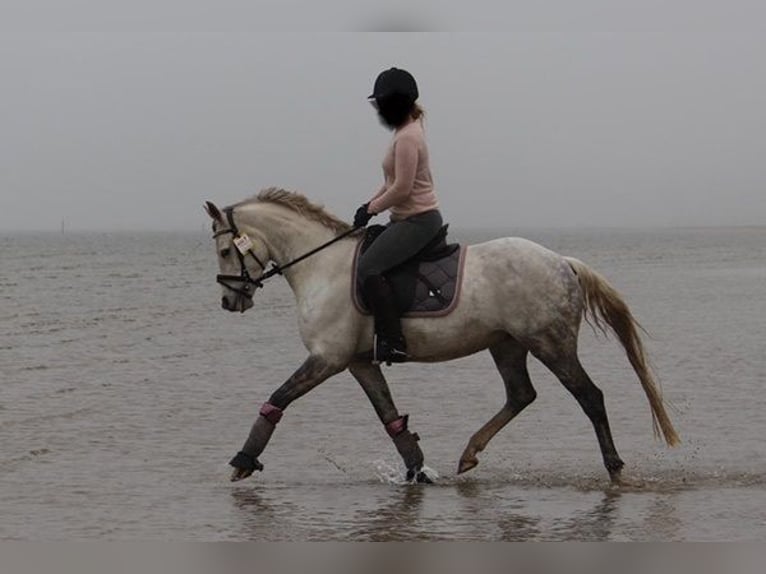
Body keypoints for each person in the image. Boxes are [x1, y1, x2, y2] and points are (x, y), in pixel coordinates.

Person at [353, 67, 443, 364]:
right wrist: (370, 203)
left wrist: (372, 209)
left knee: (368, 268)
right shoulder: (403, 133)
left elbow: (403, 189)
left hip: (419, 219)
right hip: (405, 218)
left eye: (381, 104)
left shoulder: (407, 138)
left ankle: (394, 342)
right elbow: (392, 183)